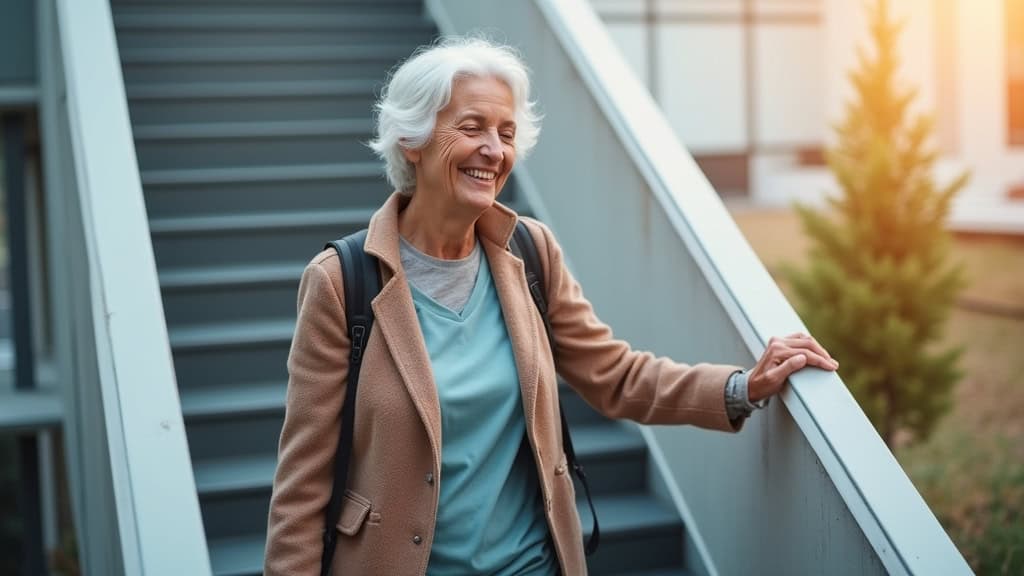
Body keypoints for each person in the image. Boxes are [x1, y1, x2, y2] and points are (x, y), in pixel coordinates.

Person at [263, 36, 838, 576]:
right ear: (411, 140)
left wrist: (742, 387)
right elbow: (302, 485)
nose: (494, 149)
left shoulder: (529, 252)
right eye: (472, 127)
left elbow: (615, 374)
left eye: (507, 132)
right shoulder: (343, 281)